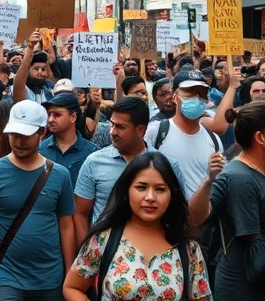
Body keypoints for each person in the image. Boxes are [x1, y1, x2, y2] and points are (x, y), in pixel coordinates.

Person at [187, 101, 265, 301]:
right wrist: (207, 182)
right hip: (247, 286)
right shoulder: (238, 177)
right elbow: (195, 220)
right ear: (260, 137)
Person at [64, 152, 211, 301]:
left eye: (160, 189)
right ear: (127, 191)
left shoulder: (188, 249)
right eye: (141, 188)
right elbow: (72, 287)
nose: (150, 197)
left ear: (171, 195)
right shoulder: (104, 239)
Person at [0, 99, 75, 301]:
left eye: (26, 135)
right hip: (7, 277)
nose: (19, 140)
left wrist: (69, 277)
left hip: (51, 279)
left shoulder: (60, 175)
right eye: (14, 134)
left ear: (42, 132)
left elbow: (66, 226)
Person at [73, 97, 185, 244]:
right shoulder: (94, 162)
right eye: (112, 125)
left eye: (120, 127)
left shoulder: (167, 166)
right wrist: (87, 252)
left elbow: (178, 213)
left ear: (141, 130)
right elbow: (80, 214)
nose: (112, 132)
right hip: (104, 255)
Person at [145, 69, 226, 198]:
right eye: (189, 93)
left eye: (201, 93)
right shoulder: (156, 132)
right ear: (175, 97)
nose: (196, 98)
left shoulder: (213, 140)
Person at [40, 92, 98, 185]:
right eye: (49, 114)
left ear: (73, 117)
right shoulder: (40, 150)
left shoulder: (92, 153)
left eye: (57, 115)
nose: (50, 119)